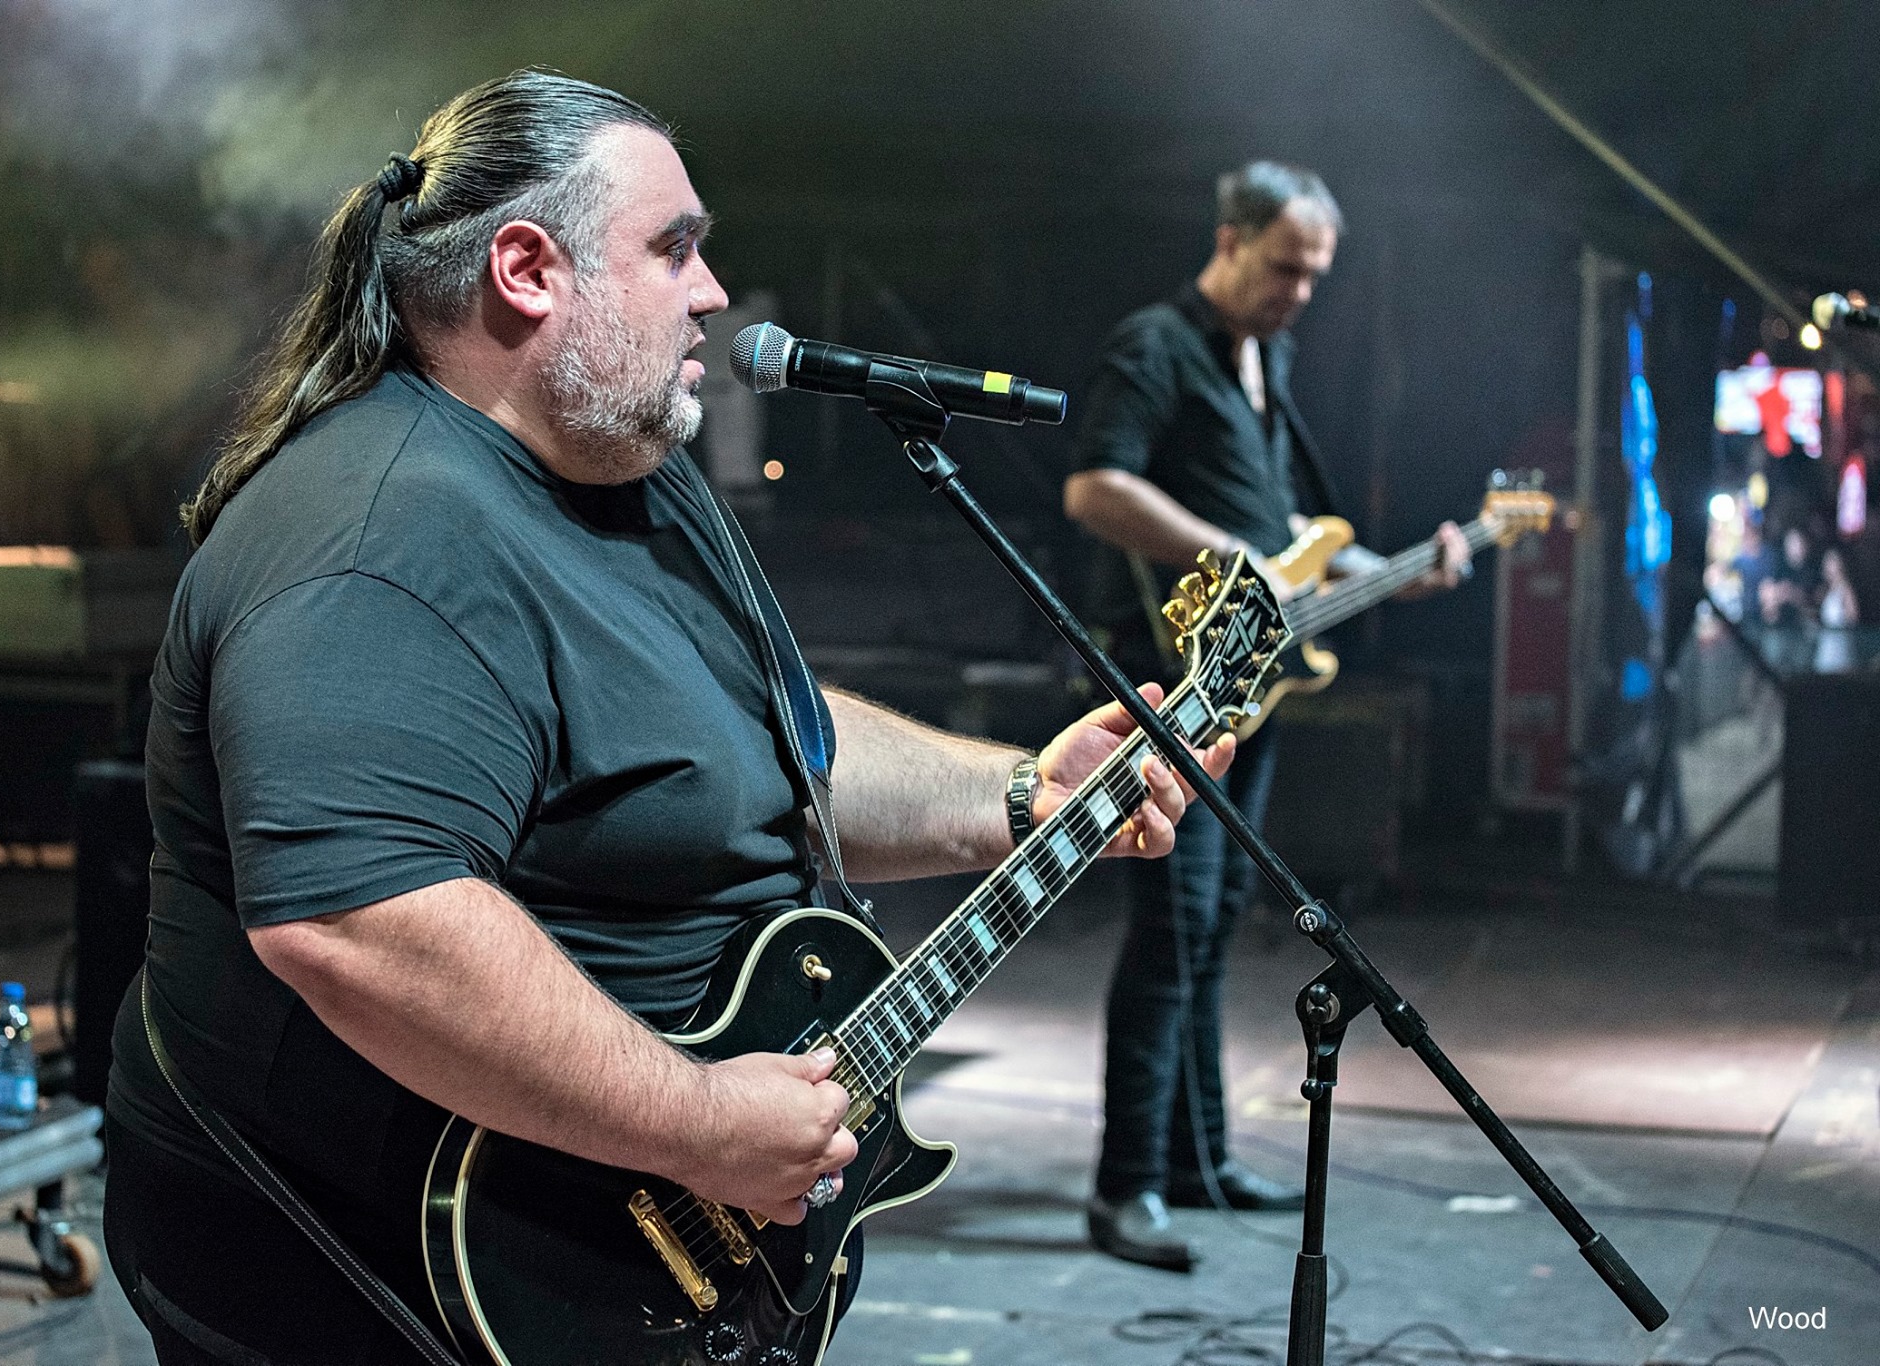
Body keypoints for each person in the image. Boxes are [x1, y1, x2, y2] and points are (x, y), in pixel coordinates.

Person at [100, 69, 1233, 1364]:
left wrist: (1024, 792)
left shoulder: (620, 466)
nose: (711, 292)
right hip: (390, 1281)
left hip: (635, 1249)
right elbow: (361, 921)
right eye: (673, 247)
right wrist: (699, 1125)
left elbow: (753, 735)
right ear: (527, 269)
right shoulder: (382, 538)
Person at [1062, 161, 1468, 1271]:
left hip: (1249, 682)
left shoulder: (1265, 361)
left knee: (1212, 921)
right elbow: (1095, 488)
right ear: (1230, 238)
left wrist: (1401, 571)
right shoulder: (1157, 345)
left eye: (1315, 276)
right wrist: (1231, 557)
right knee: (1170, 923)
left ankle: (1194, 1158)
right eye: (1285, 268)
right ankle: (1124, 1185)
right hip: (1169, 682)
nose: (1300, 293)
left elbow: (1288, 535)